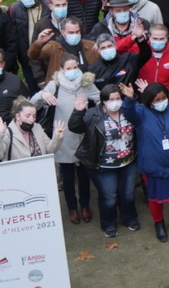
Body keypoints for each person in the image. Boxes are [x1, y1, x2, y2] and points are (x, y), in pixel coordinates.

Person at [120, 81, 169, 243]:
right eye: (156, 100)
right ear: (149, 101)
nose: (161, 102)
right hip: (153, 166)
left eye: (163, 98)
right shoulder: (140, 112)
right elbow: (127, 113)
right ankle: (158, 223)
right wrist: (130, 99)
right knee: (155, 198)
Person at [31, 56, 100, 224]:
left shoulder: (86, 83)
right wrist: (43, 94)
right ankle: (71, 208)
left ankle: (85, 206)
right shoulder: (55, 85)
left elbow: (99, 98)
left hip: (82, 136)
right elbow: (33, 104)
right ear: (61, 69)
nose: (73, 71)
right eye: (69, 68)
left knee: (84, 176)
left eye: (75, 67)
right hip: (63, 136)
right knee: (67, 178)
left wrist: (92, 113)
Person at [68, 84, 140, 238]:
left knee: (128, 194)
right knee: (109, 196)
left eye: (118, 98)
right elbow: (75, 127)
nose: (115, 102)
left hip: (128, 162)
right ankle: (109, 224)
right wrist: (77, 112)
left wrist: (131, 98)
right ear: (103, 102)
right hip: (104, 165)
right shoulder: (93, 114)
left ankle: (129, 218)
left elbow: (140, 119)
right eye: (111, 99)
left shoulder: (127, 110)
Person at [0, 97, 63, 162]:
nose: (32, 119)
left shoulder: (37, 128)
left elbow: (49, 150)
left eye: (34, 116)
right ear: (18, 116)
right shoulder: (7, 133)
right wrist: (0, 134)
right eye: (27, 116)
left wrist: (57, 137)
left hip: (40, 170)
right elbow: (0, 155)